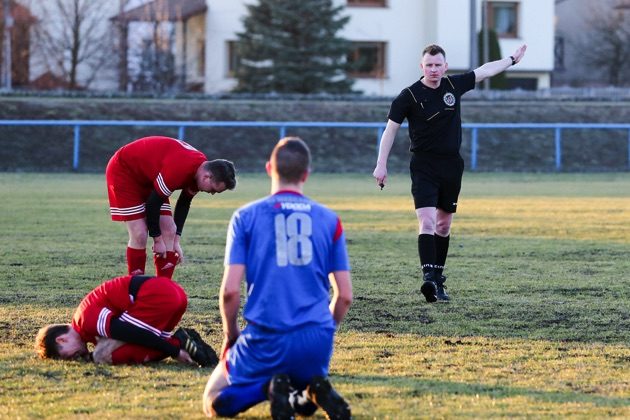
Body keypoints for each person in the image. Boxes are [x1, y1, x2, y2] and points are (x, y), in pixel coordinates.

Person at [202, 137, 353, 419]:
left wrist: (231, 335)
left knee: (212, 400)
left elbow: (230, 292)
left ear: (269, 168)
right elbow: (344, 295)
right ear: (306, 174)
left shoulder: (245, 217)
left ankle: (268, 389)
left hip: (265, 337)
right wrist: (324, 330)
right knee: (301, 380)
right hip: (316, 340)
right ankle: (309, 391)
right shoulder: (330, 219)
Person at [373, 43, 527, 303]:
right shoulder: (407, 96)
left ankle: (439, 279)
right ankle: (428, 279)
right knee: (427, 222)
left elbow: (484, 71)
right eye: (429, 65)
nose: (433, 69)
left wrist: (511, 60)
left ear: (445, 67)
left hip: (452, 166)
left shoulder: (453, 86)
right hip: (423, 165)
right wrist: (381, 164)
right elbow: (390, 130)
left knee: (443, 226)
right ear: (421, 67)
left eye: (438, 65)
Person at [106, 136, 236, 279]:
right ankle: (134, 289)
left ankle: (163, 288)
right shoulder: (180, 168)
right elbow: (152, 205)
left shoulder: (199, 170)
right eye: (213, 189)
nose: (212, 193)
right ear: (207, 177)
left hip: (149, 177)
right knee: (139, 233)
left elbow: (184, 203)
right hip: (125, 171)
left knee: (170, 230)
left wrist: (176, 242)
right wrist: (157, 240)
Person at [35, 274, 218, 367]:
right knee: (127, 347)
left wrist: (173, 350)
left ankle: (179, 342)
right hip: (173, 293)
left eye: (66, 356)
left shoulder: (84, 320)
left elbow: (130, 332)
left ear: (62, 340)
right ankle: (182, 344)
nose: (74, 359)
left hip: (159, 295)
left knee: (108, 356)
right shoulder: (87, 328)